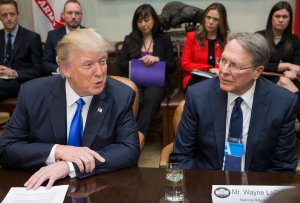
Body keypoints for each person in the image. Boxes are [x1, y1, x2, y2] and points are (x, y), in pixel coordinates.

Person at [0, 29, 140, 189]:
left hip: (98, 187)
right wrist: (57, 151)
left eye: (102, 62)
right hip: (44, 188)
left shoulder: (120, 96)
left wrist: (70, 166)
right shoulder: (33, 94)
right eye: (88, 65)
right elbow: (6, 149)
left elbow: (129, 150)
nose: (100, 72)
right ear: (66, 69)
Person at [170, 32, 298, 172]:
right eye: (223, 61)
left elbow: (283, 167)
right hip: (206, 184)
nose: (223, 71)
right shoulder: (198, 96)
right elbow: (181, 157)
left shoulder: (282, 103)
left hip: (256, 187)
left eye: (235, 66)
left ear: (257, 71)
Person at [119, 4, 176, 138]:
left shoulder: (164, 39)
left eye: (147, 20)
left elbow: (172, 65)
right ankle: (132, 137)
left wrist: (157, 60)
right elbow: (121, 65)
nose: (143, 24)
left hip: (156, 82)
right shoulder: (130, 39)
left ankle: (134, 139)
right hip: (135, 81)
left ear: (154, 20)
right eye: (139, 21)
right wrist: (138, 63)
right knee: (135, 97)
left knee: (152, 98)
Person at [256, 1, 300, 118]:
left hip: (289, 80)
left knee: (286, 82)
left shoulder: (295, 40)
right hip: (262, 79)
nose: (281, 20)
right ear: (271, 18)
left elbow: (297, 65)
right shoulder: (259, 37)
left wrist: (293, 71)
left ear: (289, 19)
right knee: (284, 82)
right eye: (277, 16)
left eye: (285, 17)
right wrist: (286, 65)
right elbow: (256, 63)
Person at [0, 0, 43, 99]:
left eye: (12, 14)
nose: (9, 18)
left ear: (18, 15)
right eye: (4, 15)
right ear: (0, 17)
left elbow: (38, 71)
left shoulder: (32, 38)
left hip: (20, 81)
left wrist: (14, 72)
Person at [181, 2, 229, 89]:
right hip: (195, 79)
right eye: (208, 17)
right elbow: (185, 64)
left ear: (221, 22)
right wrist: (209, 69)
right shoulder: (192, 37)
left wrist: (220, 71)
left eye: (215, 19)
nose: (210, 22)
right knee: (208, 87)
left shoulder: (227, 40)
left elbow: (231, 65)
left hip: (219, 80)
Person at [43, 0, 85, 75]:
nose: (73, 17)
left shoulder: (90, 35)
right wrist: (60, 69)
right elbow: (46, 63)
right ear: (63, 15)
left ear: (82, 15)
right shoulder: (52, 35)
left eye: (77, 13)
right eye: (69, 13)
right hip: (61, 77)